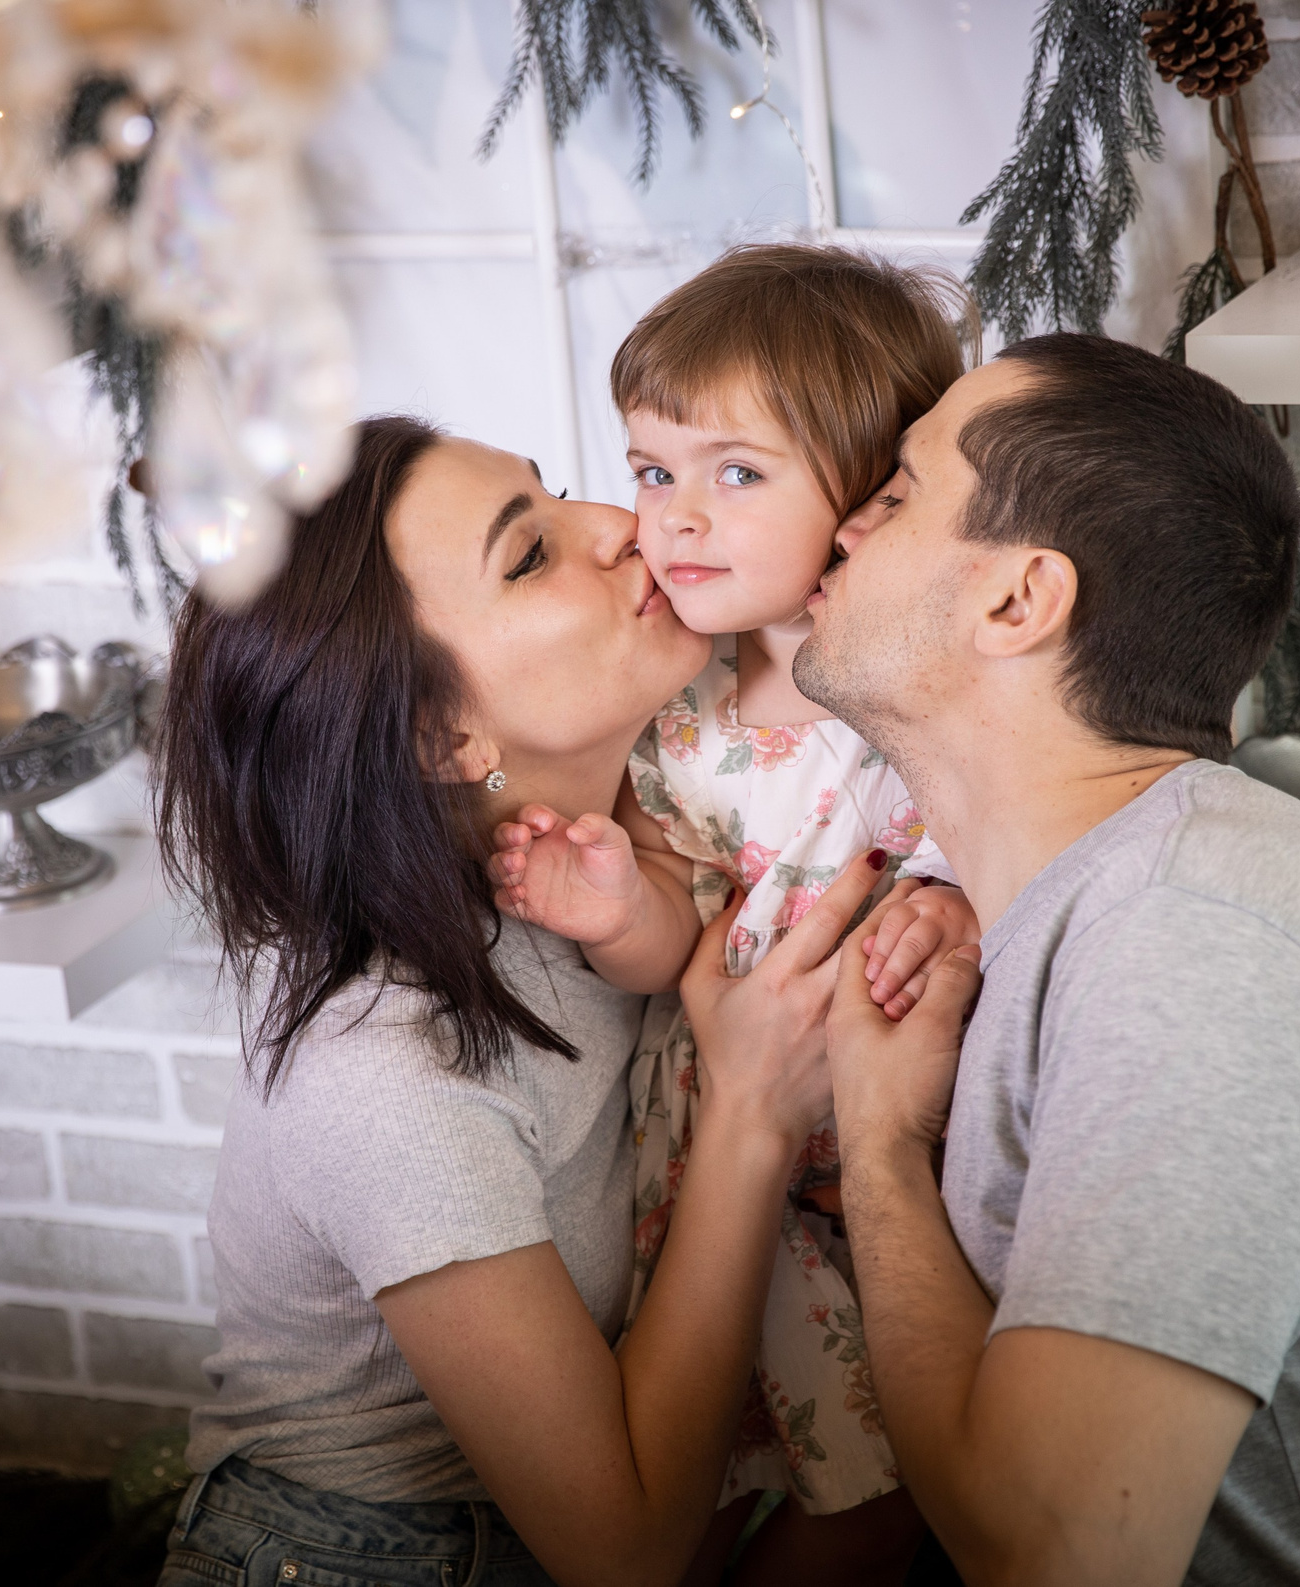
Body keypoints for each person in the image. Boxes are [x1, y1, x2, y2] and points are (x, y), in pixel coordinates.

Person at [798, 334, 1300, 1586]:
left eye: (900, 492)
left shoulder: (1195, 938)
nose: (845, 524)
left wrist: (879, 1148)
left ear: (1017, 600)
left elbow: (1054, 1554)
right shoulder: (1113, 896)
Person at [154, 415, 890, 1587]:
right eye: (530, 553)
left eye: (556, 494)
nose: (615, 523)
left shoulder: (636, 846)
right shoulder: (387, 1067)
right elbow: (624, 1554)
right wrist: (752, 1113)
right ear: (442, 733)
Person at [486, 246, 981, 1573]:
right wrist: (607, 904)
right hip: (725, 1132)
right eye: (654, 470)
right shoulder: (682, 702)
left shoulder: (920, 686)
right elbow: (672, 941)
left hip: (905, 1134)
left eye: (735, 472)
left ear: (873, 490)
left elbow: (1008, 843)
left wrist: (950, 908)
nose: (673, 518)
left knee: (894, 1474)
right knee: (754, 1444)